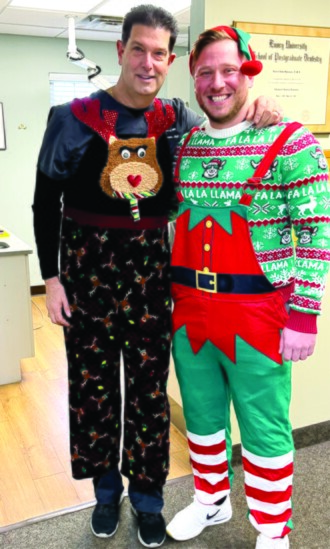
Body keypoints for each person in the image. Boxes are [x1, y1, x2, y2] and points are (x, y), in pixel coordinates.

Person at [32, 5, 284, 547]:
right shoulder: (70, 117)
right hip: (85, 276)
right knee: (93, 392)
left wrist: (262, 104)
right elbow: (41, 202)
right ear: (120, 51)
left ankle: (148, 499)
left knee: (148, 394)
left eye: (160, 54)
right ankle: (105, 495)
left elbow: (228, 122)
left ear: (171, 61)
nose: (149, 63)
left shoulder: (180, 121)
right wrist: (51, 280)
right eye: (139, 50)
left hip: (150, 276)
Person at [166, 25, 330, 549]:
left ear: (249, 71)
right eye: (205, 73)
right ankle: (211, 502)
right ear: (193, 80)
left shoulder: (289, 139)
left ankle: (271, 529)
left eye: (228, 70)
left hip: (259, 313)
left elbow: (318, 229)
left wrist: (305, 314)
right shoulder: (186, 144)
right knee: (202, 417)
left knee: (263, 426)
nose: (217, 83)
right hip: (190, 309)